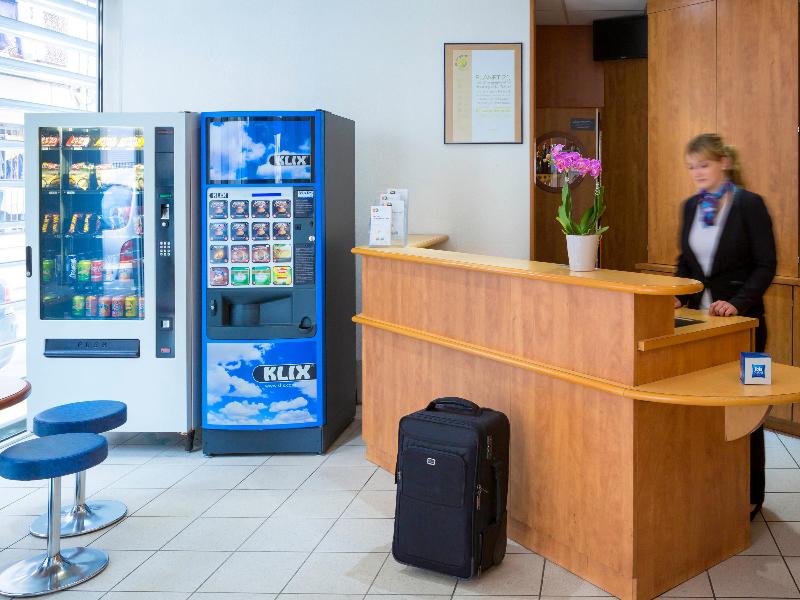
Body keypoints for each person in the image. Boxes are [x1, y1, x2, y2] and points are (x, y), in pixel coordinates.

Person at [674, 133, 776, 520]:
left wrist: (738, 302)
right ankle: (713, 490)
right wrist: (678, 294)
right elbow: (686, 263)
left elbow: (766, 264)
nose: (697, 173)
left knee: (746, 408)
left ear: (724, 163)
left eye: (703, 165)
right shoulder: (690, 207)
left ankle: (751, 495)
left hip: (745, 325)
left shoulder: (750, 204)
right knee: (706, 410)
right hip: (700, 327)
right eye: (691, 167)